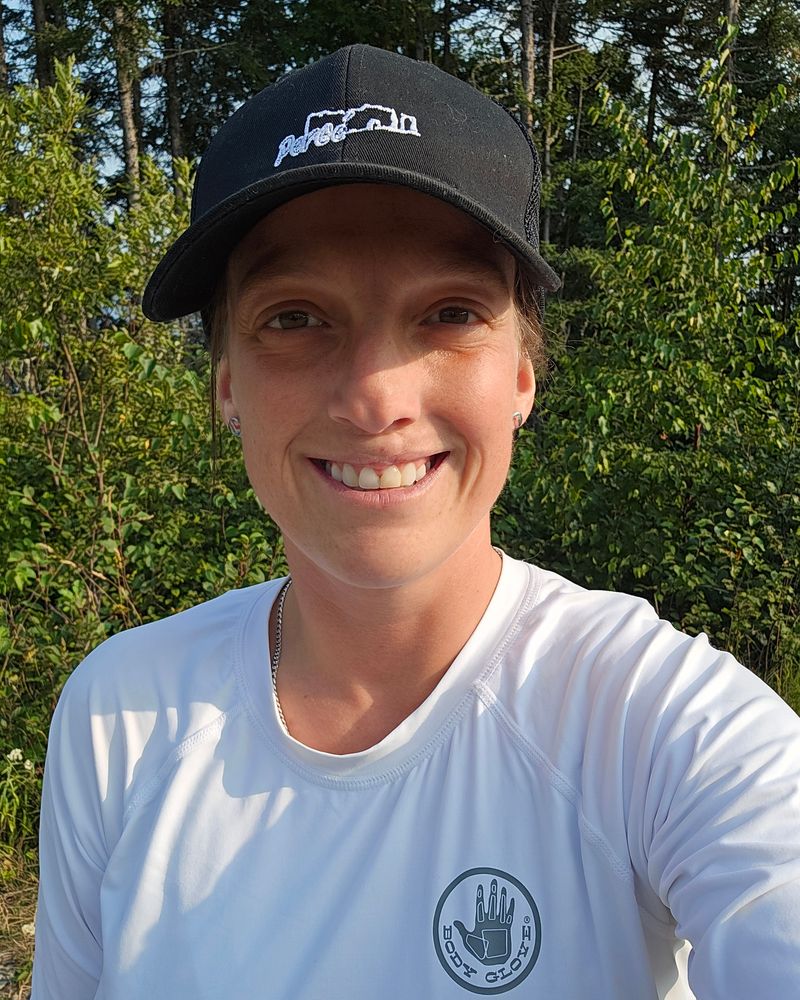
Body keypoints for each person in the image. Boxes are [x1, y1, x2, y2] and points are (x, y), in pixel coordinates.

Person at [32, 44, 800, 1000]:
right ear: (228, 383)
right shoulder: (121, 717)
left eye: (447, 312)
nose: (374, 397)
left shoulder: (657, 727)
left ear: (522, 374)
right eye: (296, 318)